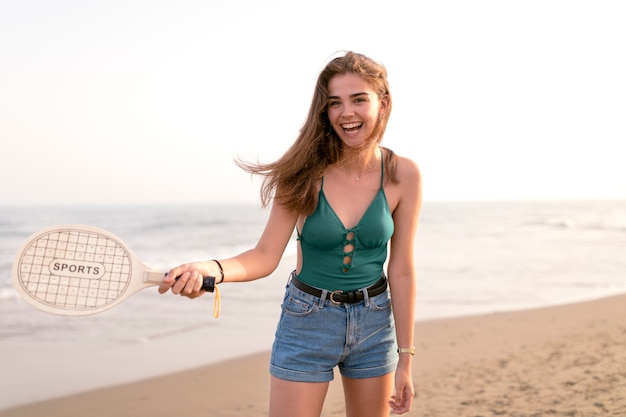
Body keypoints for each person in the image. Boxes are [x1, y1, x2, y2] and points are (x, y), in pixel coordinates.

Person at [158, 51, 422, 416]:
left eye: (359, 99)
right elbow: (264, 256)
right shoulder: (301, 173)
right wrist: (212, 269)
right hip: (307, 320)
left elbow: (402, 270)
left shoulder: (403, 174)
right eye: (335, 103)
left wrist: (405, 359)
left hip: (375, 322)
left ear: (383, 102)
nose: (347, 112)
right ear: (324, 112)